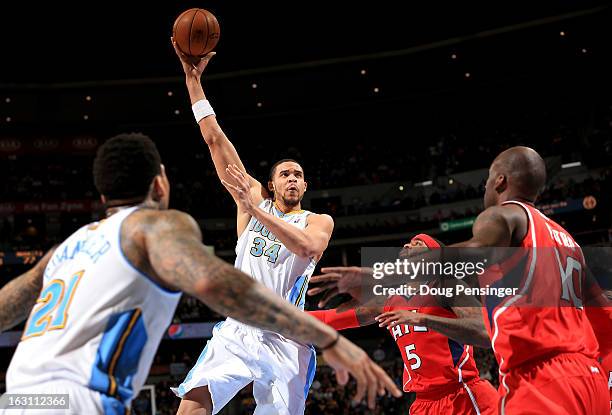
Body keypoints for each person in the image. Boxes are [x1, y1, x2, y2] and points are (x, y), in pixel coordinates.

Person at [0, 133, 400, 414]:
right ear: (160, 185)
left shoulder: (64, 248)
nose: (291, 180)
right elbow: (218, 285)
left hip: (18, 398)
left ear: (103, 196)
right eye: (285, 174)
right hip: (81, 401)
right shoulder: (158, 228)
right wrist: (327, 336)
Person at [312, 146, 611, 414]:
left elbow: (475, 256)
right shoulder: (566, 240)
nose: (407, 251)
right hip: (587, 375)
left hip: (528, 379)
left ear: (500, 181)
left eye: (417, 249)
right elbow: (604, 317)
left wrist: (381, 273)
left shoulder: (500, 218)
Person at [170, 40, 343, 415]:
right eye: (285, 174)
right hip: (240, 327)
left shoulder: (316, 220)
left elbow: (309, 248)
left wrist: (259, 213)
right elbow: (214, 139)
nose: (293, 179)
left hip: (288, 336)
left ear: (305, 186)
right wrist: (192, 80)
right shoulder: (251, 200)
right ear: (272, 183)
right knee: (192, 407)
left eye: (298, 175)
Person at [309, 234, 498, 414]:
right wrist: (284, 316)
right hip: (422, 404)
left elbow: (485, 333)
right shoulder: (387, 300)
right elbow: (329, 319)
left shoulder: (446, 284)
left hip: (463, 396)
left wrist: (424, 319)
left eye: (418, 243)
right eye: (408, 244)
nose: (407, 246)